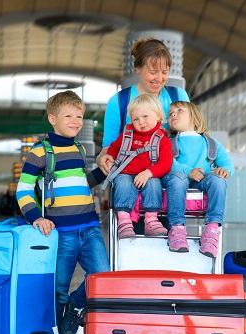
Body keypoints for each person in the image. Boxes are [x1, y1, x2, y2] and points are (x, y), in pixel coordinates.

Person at [16, 90, 109, 334]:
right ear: (52, 119)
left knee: (102, 276)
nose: (76, 121)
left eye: (79, 116)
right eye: (69, 116)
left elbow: (83, 184)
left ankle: (74, 306)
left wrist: (102, 170)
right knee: (58, 288)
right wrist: (36, 217)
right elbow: (23, 190)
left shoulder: (79, 149)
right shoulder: (40, 152)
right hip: (63, 233)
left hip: (90, 226)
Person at [97, 37, 190, 174]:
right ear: (138, 68)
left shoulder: (178, 97)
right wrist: (102, 158)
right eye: (153, 72)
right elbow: (108, 147)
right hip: (133, 174)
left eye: (164, 72)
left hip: (174, 171)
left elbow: (192, 135)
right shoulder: (119, 101)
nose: (159, 79)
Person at [163, 101, 234, 258]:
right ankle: (177, 228)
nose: (173, 114)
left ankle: (212, 229)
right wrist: (189, 172)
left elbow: (227, 163)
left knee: (218, 180)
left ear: (194, 119)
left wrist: (224, 170)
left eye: (179, 111)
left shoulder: (211, 144)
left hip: (201, 180)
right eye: (170, 113)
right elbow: (169, 163)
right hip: (177, 179)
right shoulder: (168, 143)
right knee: (178, 178)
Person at [105, 93, 172, 239]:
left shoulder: (162, 140)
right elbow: (115, 148)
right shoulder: (127, 134)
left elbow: (166, 164)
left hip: (148, 174)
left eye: (145, 117)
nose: (141, 122)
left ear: (158, 116)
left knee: (155, 184)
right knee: (121, 182)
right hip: (126, 172)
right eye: (136, 119)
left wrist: (149, 172)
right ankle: (123, 220)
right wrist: (110, 157)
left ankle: (151, 219)